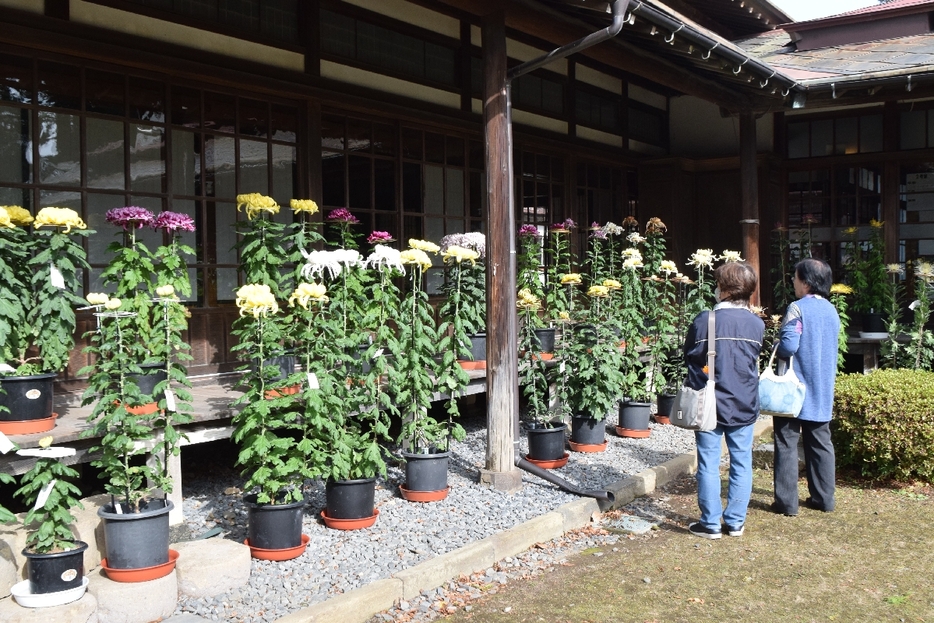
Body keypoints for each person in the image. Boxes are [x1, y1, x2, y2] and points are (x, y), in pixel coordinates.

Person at [684, 261, 764, 539]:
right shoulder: (756, 323)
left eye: (718, 284)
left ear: (725, 289)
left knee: (708, 462)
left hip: (709, 402)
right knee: (741, 461)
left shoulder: (706, 319)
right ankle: (736, 522)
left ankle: (710, 523)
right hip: (744, 400)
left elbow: (690, 356)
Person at [772, 258, 840, 516]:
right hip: (821, 388)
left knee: (786, 442)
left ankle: (787, 503)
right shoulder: (832, 311)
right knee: (821, 443)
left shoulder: (797, 308)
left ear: (807, 283)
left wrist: (775, 345)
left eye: (796, 277)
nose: (793, 281)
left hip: (793, 389)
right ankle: (824, 499)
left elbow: (789, 345)